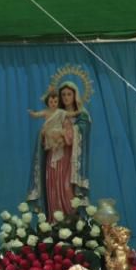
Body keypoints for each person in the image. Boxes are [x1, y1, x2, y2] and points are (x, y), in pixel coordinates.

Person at [27, 81, 92, 215]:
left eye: (69, 94)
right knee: (52, 185)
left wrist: (66, 133)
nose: (66, 97)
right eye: (63, 95)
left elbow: (83, 130)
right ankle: (54, 221)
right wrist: (45, 134)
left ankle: (70, 221)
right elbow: (45, 130)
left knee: (66, 187)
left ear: (75, 96)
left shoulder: (81, 115)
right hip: (53, 154)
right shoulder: (55, 113)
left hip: (71, 158)